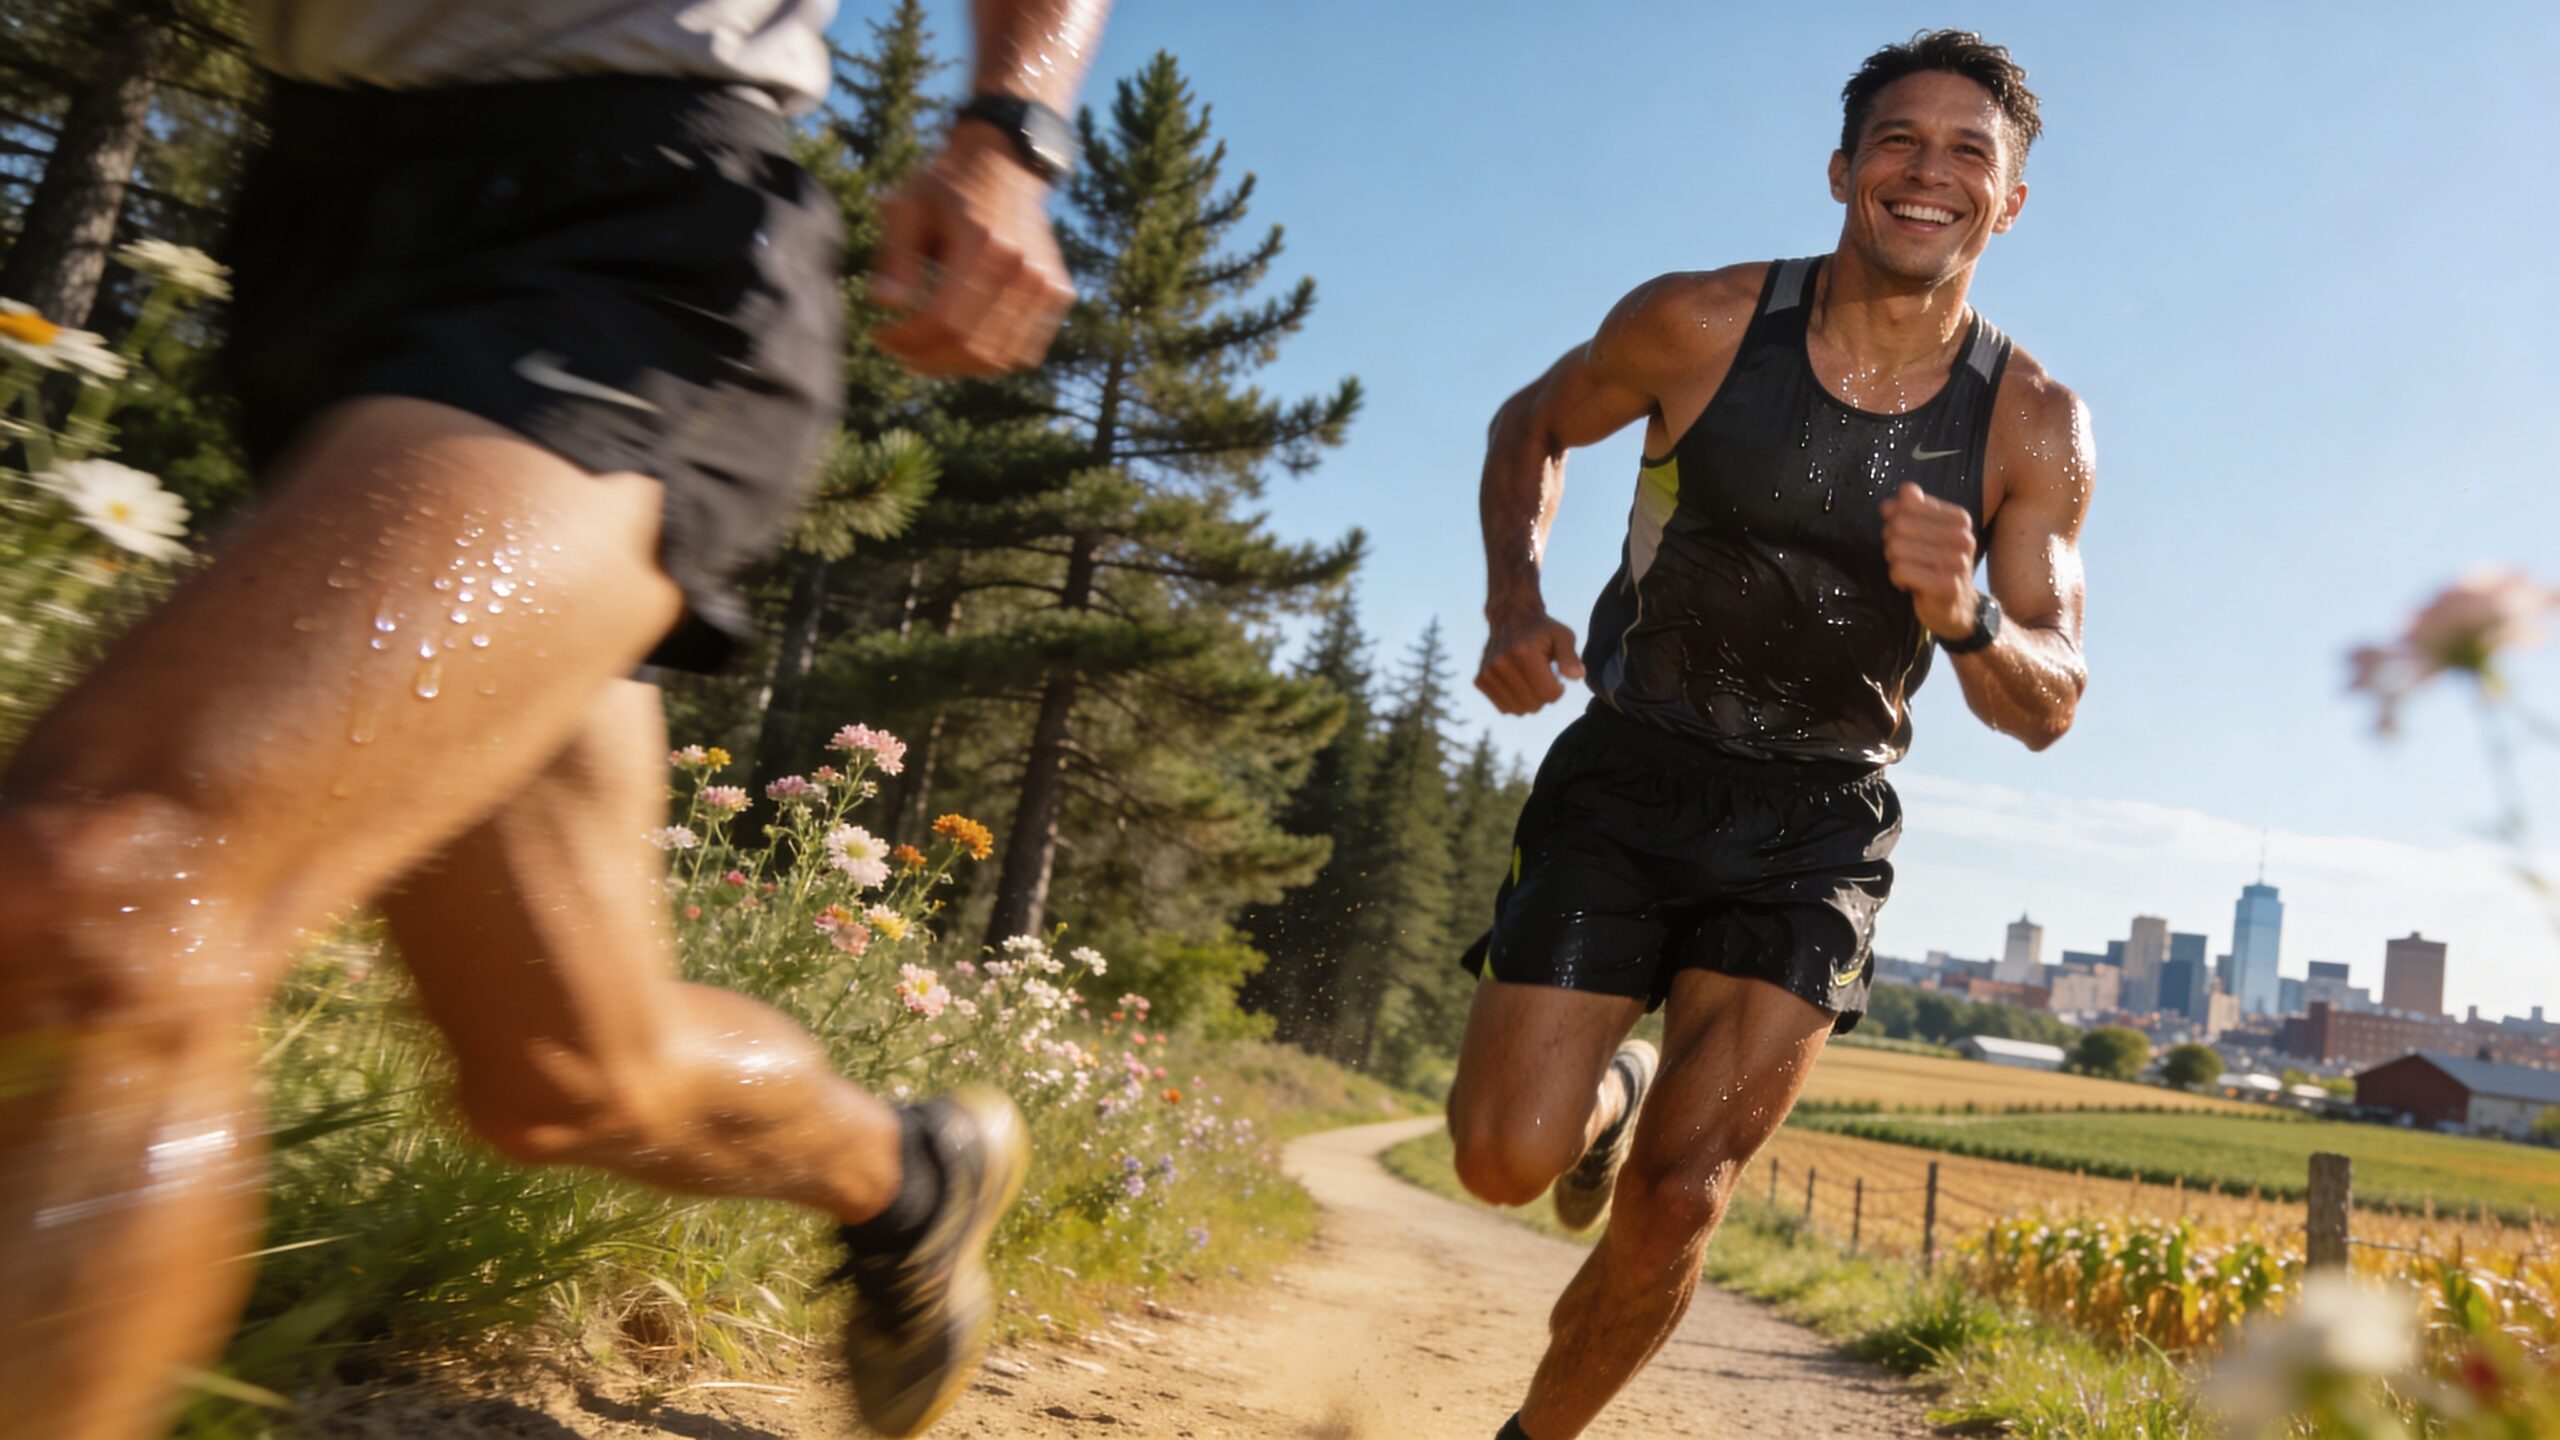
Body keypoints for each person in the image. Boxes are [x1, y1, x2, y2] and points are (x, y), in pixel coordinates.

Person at [0, 2, 1110, 1436]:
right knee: (573, 1074)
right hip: (323, 219)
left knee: (107, 905)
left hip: (633, 226)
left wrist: (1012, 129)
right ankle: (909, 1176)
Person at [1446, 31, 2094, 1440]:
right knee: (1501, 1162)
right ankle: (1611, 1092)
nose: (1931, 170)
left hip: (1816, 824)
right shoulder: (1701, 321)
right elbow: (1530, 426)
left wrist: (1969, 614)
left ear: (2012, 200)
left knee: (1681, 1199)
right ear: (1844, 168)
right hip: (1629, 770)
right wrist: (1516, 599)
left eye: (1969, 149)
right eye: (1900, 140)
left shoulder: (2033, 426)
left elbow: (2051, 697)